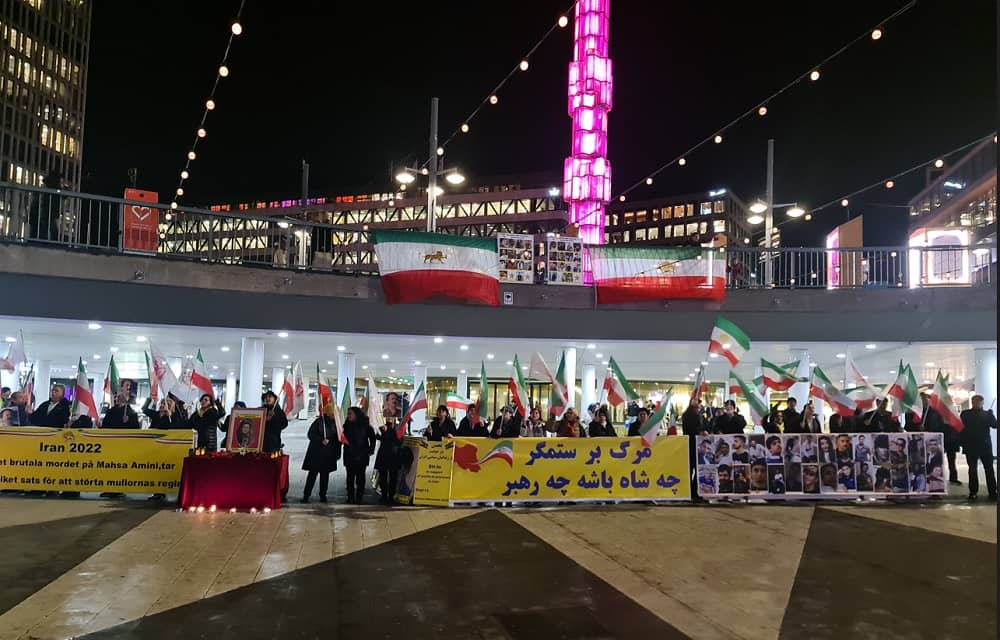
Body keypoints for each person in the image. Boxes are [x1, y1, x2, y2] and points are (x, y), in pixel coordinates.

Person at [959, 395, 997, 501]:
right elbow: (960, 429)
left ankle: (993, 492)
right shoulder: (965, 414)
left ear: (983, 403)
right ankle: (973, 492)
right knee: (972, 470)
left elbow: (995, 425)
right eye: (976, 402)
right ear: (972, 402)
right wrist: (962, 443)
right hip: (971, 446)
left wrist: (992, 415)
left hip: (985, 447)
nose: (978, 403)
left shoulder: (987, 414)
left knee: (989, 470)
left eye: (980, 402)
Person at [301, 404, 341, 503]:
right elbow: (310, 434)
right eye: (333, 414)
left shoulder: (337, 424)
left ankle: (323, 495)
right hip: (316, 453)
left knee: (325, 476)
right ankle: (306, 495)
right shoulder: (319, 422)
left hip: (328, 454)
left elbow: (338, 440)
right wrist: (320, 440)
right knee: (312, 475)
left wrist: (337, 453)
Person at [342, 406, 377, 504]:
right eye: (348, 414)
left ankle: (359, 497)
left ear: (356, 414)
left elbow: (372, 438)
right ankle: (350, 497)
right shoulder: (346, 425)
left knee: (360, 477)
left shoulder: (365, 425)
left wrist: (371, 449)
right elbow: (342, 437)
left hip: (362, 455)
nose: (348, 416)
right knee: (350, 477)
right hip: (349, 455)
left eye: (350, 413)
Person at [374, 415, 403, 505]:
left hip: (394, 455)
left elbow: (399, 441)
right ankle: (384, 496)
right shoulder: (382, 426)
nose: (389, 418)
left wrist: (391, 431)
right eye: (388, 416)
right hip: (383, 455)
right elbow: (378, 436)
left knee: (393, 477)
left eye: (391, 416)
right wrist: (382, 431)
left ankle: (391, 496)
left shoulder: (399, 426)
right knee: (383, 477)